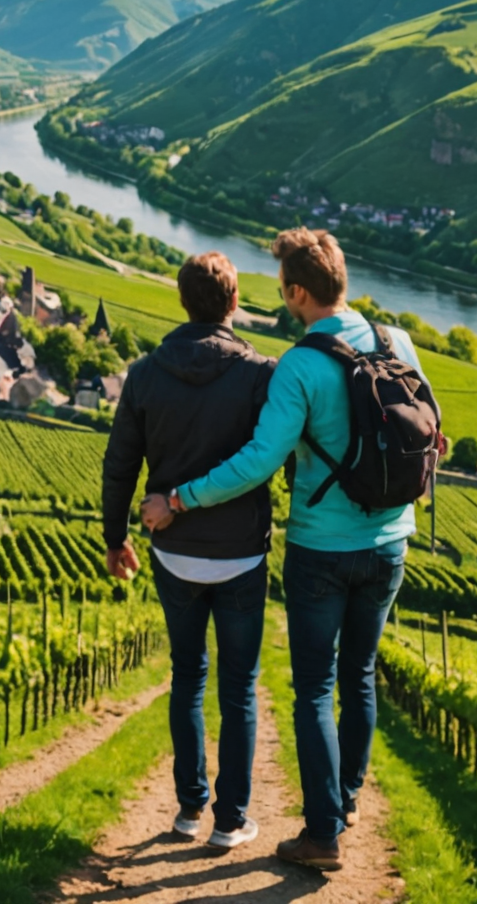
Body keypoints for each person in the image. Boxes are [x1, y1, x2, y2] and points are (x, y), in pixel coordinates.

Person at [141, 228, 435, 872]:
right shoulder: (398, 342)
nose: (282, 301)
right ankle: (347, 800)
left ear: (300, 291)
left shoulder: (301, 364)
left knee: (313, 690)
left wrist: (181, 499)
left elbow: (257, 462)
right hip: (391, 541)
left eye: (283, 291)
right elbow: (433, 435)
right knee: (359, 674)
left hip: (321, 550)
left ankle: (322, 832)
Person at [100, 251, 276, 850]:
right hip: (243, 557)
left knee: (187, 677)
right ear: (233, 304)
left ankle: (188, 810)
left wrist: (115, 536)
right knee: (239, 686)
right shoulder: (260, 373)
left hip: (172, 554)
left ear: (182, 301)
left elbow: (120, 462)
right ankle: (231, 821)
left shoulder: (146, 373)